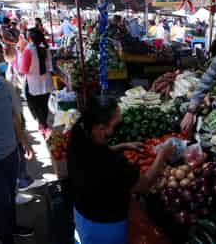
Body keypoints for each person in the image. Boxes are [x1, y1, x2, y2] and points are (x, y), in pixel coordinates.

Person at [68, 96, 175, 244]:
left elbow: (95, 154)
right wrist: (162, 155)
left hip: (81, 212)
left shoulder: (79, 132)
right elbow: (143, 185)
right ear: (100, 128)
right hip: (105, 226)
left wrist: (122, 146)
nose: (117, 128)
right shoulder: (113, 163)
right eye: (115, 125)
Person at [0, 53, 35, 244]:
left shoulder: (3, 87)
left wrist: (24, 142)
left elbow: (13, 117)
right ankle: (5, 236)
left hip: (11, 153)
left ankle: (12, 227)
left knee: (10, 194)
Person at [19, 28, 53, 138]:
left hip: (33, 84)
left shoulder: (28, 51)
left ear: (29, 38)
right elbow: (50, 66)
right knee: (44, 106)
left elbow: (23, 70)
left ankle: (44, 126)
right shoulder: (46, 48)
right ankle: (44, 125)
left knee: (36, 107)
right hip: (46, 83)